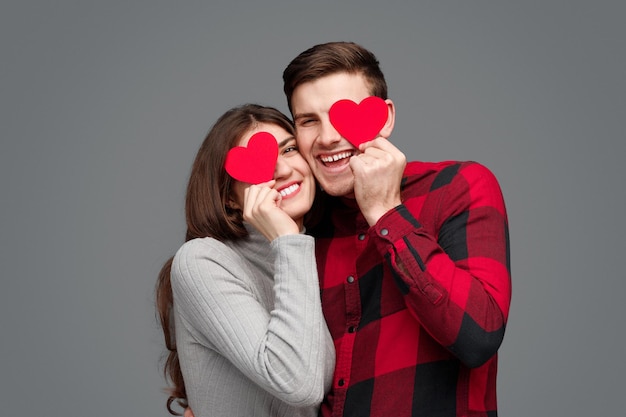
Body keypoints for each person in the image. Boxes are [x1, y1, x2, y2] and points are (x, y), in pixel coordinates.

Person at [281, 41, 512, 416]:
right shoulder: (301, 231)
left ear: (385, 118)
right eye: (309, 121)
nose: (326, 138)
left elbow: (478, 336)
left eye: (343, 115)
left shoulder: (458, 187)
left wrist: (386, 213)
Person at [155, 104, 335, 417]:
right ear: (228, 197)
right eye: (258, 163)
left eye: (290, 149)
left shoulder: (315, 258)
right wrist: (286, 240)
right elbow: (299, 383)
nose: (281, 170)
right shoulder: (202, 260)